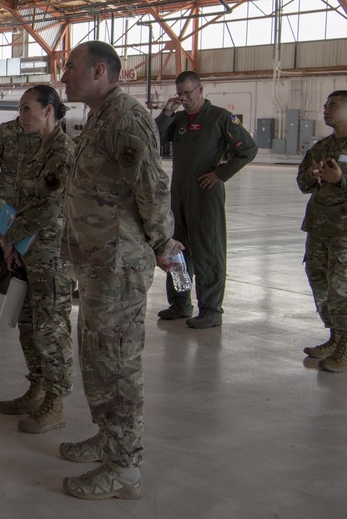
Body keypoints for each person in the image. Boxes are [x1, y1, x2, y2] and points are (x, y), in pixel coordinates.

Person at [59, 40, 179, 501]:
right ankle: (109, 439)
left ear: (99, 71)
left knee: (117, 362)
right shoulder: (100, 116)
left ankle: (125, 467)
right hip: (95, 263)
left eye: (71, 67)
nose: (64, 75)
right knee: (96, 355)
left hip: (118, 263)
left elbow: (150, 186)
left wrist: (164, 243)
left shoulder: (126, 117)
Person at [0, 86, 75, 435]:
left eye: (27, 109)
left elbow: (47, 207)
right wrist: (7, 237)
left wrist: (11, 238)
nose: (21, 116)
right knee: (28, 325)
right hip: (26, 251)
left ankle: (56, 401)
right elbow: (20, 200)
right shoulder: (35, 149)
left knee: (51, 329)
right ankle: (36, 388)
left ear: (49, 110)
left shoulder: (62, 152)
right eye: (20, 109)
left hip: (52, 255)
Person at [155, 70, 257, 328]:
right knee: (177, 249)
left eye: (188, 93)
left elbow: (248, 149)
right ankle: (180, 303)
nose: (184, 98)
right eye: (180, 94)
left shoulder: (220, 118)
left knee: (208, 250)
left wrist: (219, 174)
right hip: (178, 193)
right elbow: (151, 139)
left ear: (200, 89)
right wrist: (167, 113)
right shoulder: (178, 120)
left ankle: (211, 310)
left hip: (205, 193)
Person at [297, 90, 347, 371]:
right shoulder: (320, 147)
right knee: (321, 285)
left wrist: (340, 180)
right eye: (326, 105)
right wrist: (313, 176)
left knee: (342, 291)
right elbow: (302, 183)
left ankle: (346, 347)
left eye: (334, 106)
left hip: (344, 232)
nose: (327, 110)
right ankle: (335, 336)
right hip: (318, 229)